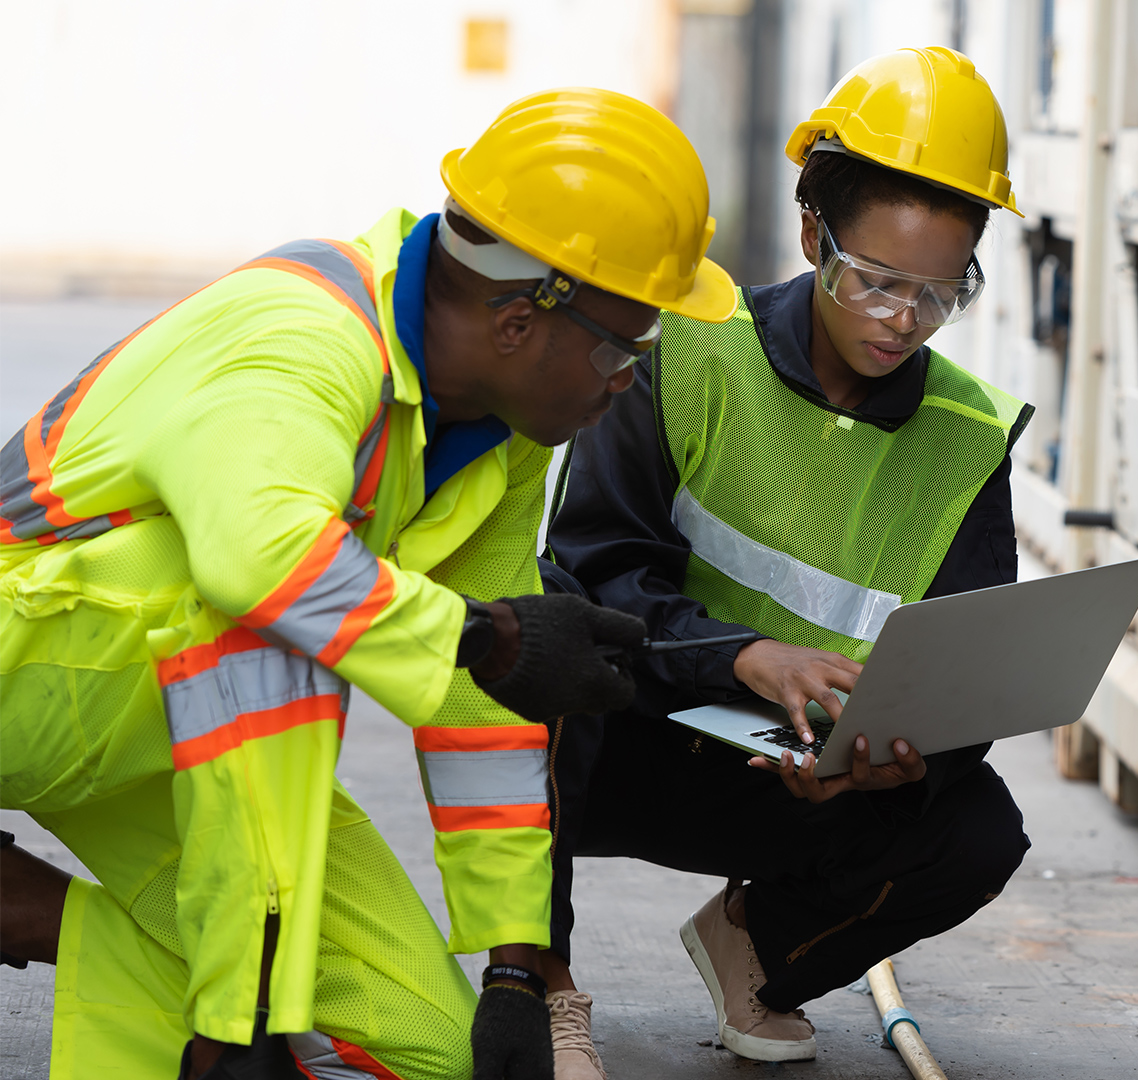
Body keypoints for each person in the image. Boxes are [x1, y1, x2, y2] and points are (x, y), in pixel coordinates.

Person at [0, 88, 736, 1080]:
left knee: (429, 1047)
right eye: (624, 349)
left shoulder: (507, 438)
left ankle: (44, 919)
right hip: (32, 667)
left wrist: (515, 970)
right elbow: (259, 559)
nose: (625, 381)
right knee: (272, 602)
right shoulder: (303, 333)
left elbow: (483, 699)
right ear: (519, 321)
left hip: (154, 726)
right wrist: (487, 637)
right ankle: (234, 1027)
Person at [538, 46, 1034, 1073]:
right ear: (814, 236)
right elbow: (593, 567)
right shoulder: (686, 349)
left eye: (940, 293)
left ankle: (757, 952)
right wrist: (744, 655)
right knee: (542, 661)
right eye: (877, 282)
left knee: (979, 831)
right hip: (630, 743)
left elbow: (964, 671)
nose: (903, 320)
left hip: (801, 779)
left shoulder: (966, 438)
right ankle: (541, 984)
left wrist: (889, 762)